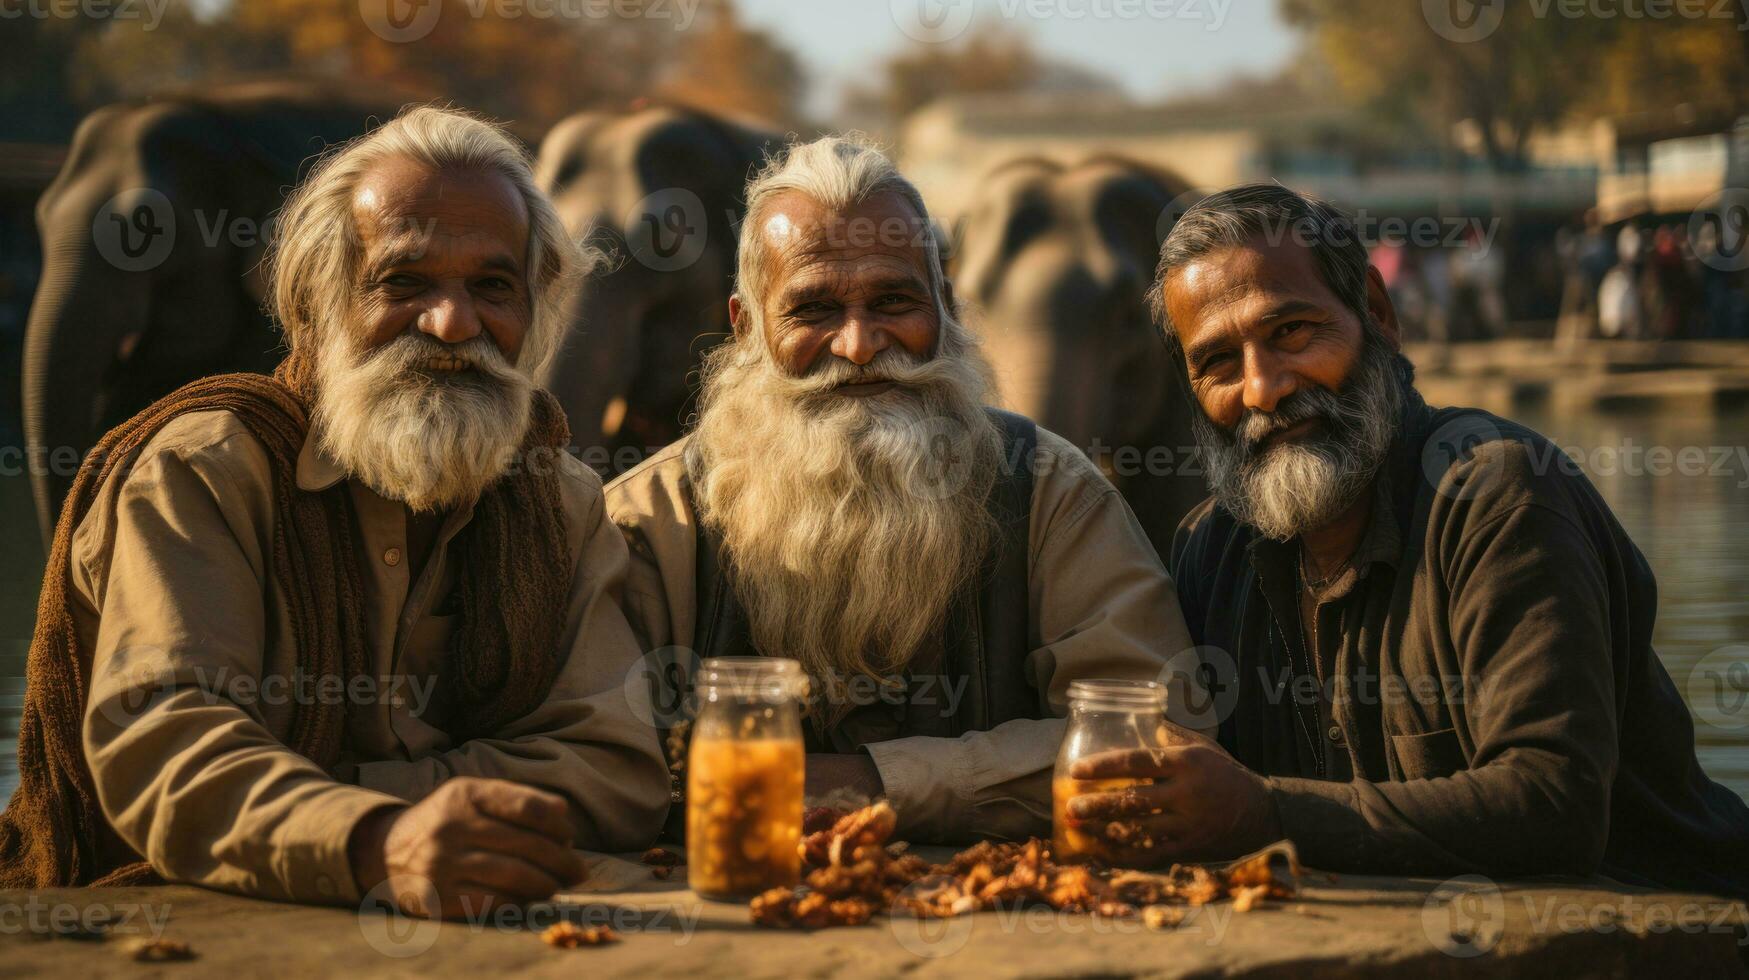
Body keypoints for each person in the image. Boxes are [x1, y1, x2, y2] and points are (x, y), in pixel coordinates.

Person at [0, 107, 671, 918]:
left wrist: (362, 805)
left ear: (536, 311)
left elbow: (615, 766)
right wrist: (379, 837)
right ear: (315, 306)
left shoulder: (556, 497)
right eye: (403, 281)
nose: (455, 325)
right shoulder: (205, 472)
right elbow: (166, 747)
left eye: (492, 287)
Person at [1062, 183, 1749, 898]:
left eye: (1292, 332)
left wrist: (1261, 811)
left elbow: (1554, 804)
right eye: (1220, 364)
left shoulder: (1495, 495)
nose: (1262, 388)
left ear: (1377, 314)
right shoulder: (1210, 547)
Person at [606, 135, 1205, 844]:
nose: (859, 344)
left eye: (893, 301)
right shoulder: (651, 519)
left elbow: (1160, 742)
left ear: (946, 307)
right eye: (813, 309)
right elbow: (600, 764)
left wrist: (865, 784)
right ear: (746, 329)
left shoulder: (1048, 491)